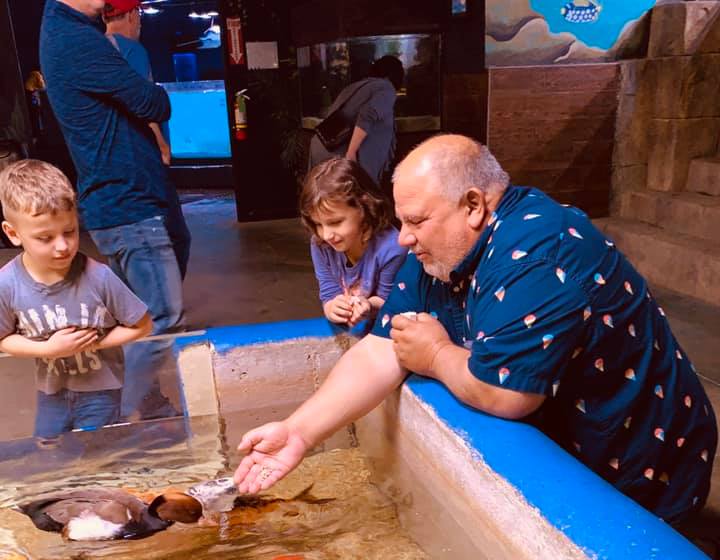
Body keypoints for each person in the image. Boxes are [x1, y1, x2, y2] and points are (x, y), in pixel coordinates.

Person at [234, 135, 717, 533]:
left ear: (473, 205)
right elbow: (381, 347)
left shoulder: (538, 252)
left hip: (645, 453)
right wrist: (298, 432)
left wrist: (438, 354)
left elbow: (506, 392)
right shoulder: (435, 255)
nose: (403, 238)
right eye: (402, 222)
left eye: (416, 221)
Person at [39, 0, 183, 420]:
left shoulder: (67, 30)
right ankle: (122, 424)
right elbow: (154, 104)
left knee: (134, 319)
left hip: (118, 202)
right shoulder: (76, 39)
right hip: (127, 204)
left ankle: (147, 404)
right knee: (161, 318)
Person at [0, 160, 151, 439]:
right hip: (50, 393)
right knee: (48, 452)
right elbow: (2, 338)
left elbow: (142, 326)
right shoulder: (7, 284)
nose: (62, 246)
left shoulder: (99, 277)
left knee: (98, 455)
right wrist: (50, 350)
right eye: (45, 238)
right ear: (13, 233)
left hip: (101, 392)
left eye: (69, 232)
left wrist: (94, 342)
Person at [103, 0, 191, 280]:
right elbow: (142, 102)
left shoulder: (96, 49)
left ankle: (138, 303)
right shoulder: (132, 50)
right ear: (132, 15)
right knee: (176, 235)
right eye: (139, 15)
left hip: (115, 162)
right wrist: (162, 145)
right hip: (145, 159)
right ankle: (161, 300)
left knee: (127, 242)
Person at [301, 157, 406, 332]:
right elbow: (329, 293)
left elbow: (388, 299)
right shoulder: (320, 244)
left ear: (364, 207)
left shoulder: (392, 248)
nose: (326, 235)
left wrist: (368, 306)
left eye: (335, 222)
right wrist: (332, 307)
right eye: (318, 224)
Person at [308, 56, 405, 186]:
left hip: (321, 147)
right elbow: (367, 114)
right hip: (339, 154)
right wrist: (351, 153)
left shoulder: (356, 86)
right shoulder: (386, 88)